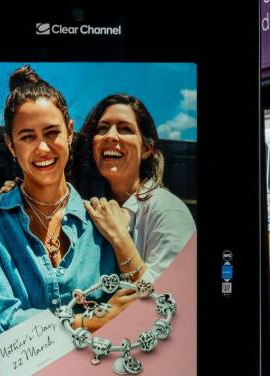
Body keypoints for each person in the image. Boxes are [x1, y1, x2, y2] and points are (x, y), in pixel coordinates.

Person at [0, 66, 128, 376]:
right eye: (28, 137)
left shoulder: (104, 223)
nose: (42, 148)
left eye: (52, 133)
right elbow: (5, 327)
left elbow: (134, 316)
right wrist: (101, 319)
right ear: (10, 144)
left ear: (70, 131)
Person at [71, 93, 196, 282]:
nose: (110, 136)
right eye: (103, 128)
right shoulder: (88, 206)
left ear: (147, 149)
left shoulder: (168, 210)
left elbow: (167, 300)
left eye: (125, 129)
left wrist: (119, 236)